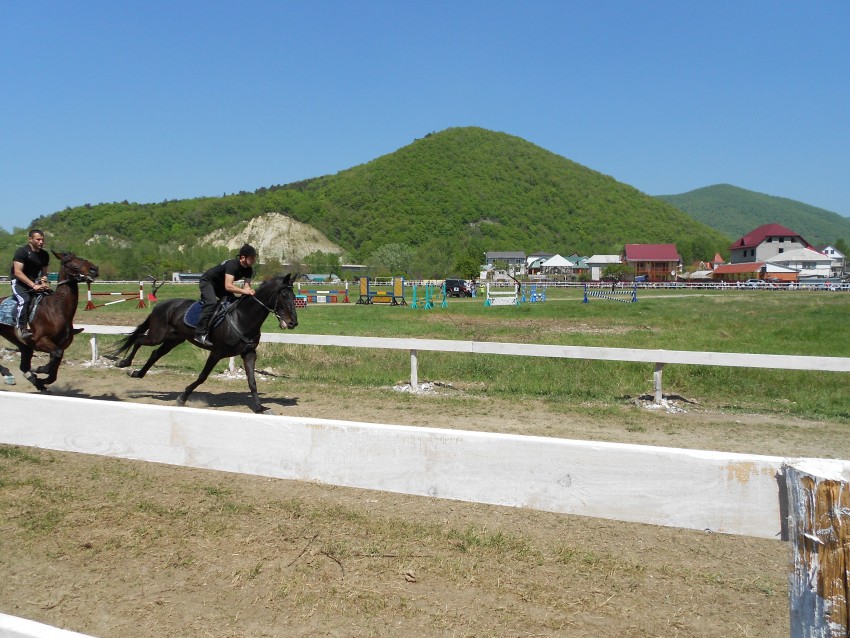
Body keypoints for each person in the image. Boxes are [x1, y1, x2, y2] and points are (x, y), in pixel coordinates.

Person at [194, 244, 257, 346]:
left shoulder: (249, 269)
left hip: (220, 285)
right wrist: (245, 291)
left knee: (234, 303)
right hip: (208, 282)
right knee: (211, 303)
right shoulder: (233, 265)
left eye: (255, 257)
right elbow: (228, 286)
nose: (254, 260)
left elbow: (246, 288)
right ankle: (200, 334)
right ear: (243, 257)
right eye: (252, 257)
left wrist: (251, 292)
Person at [10, 229, 51, 341]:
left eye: (42, 239)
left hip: (34, 283)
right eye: (38, 239)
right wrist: (33, 285)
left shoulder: (44, 255)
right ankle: (21, 328)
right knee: (25, 300)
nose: (41, 242)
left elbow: (44, 272)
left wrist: (43, 282)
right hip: (19, 283)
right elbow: (18, 272)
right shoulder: (22, 252)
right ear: (30, 239)